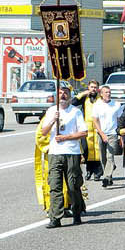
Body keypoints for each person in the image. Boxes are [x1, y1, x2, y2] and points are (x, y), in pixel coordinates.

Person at [39, 85, 88, 227]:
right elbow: (43, 132)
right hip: (55, 153)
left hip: (71, 153)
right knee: (55, 186)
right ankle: (55, 217)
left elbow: (84, 132)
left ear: (70, 95)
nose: (62, 95)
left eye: (65, 93)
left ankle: (77, 212)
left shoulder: (75, 112)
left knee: (73, 185)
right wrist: (53, 120)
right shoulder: (51, 111)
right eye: (60, 93)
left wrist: (66, 137)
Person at [90, 84, 124, 187]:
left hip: (112, 134)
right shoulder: (97, 105)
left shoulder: (116, 105)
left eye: (109, 92)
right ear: (101, 94)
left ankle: (106, 177)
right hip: (101, 133)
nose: (108, 94)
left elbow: (120, 119)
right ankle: (110, 174)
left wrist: (120, 135)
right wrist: (101, 133)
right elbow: (95, 120)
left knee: (110, 156)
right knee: (103, 157)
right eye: (106, 92)